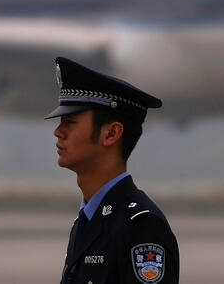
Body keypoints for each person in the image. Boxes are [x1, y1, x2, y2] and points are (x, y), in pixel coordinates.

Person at [46, 56, 179, 284]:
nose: (58, 132)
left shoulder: (141, 226)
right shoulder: (87, 221)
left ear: (111, 134)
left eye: (70, 121)